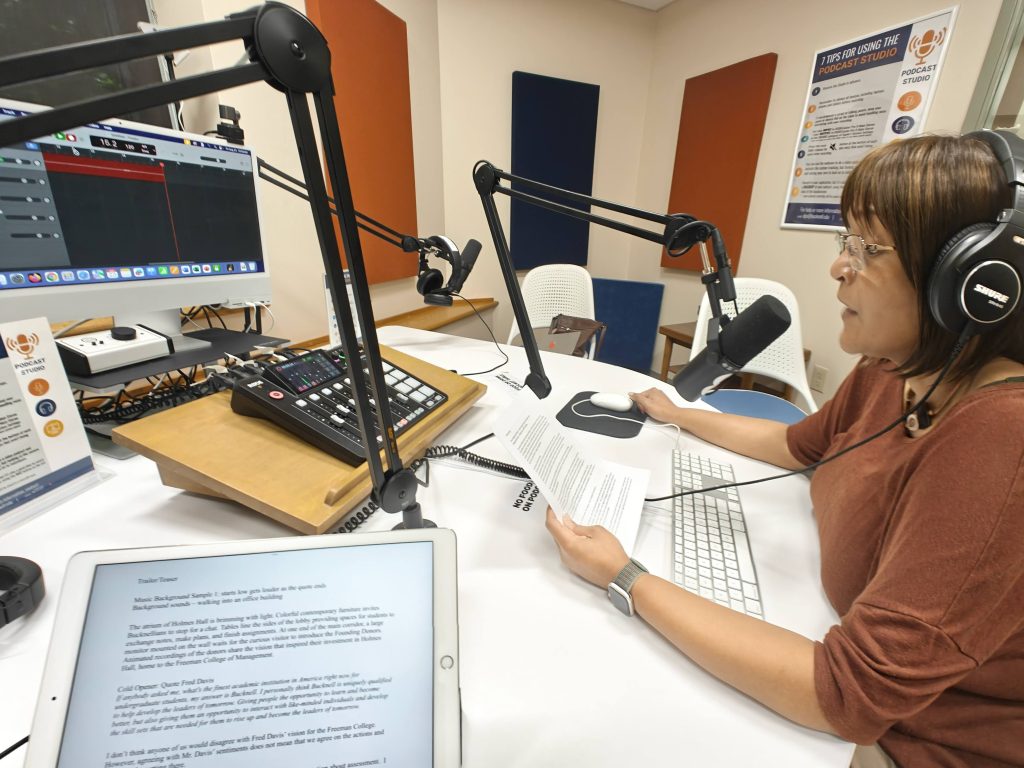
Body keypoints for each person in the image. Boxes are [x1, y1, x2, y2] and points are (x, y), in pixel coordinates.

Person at [545, 133, 1024, 768]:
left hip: (900, 743)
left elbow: (845, 695)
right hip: (814, 615)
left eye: (867, 248)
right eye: (844, 242)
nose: (838, 266)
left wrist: (625, 577)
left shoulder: (999, 442)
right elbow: (800, 444)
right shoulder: (893, 367)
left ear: (960, 280)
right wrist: (680, 415)